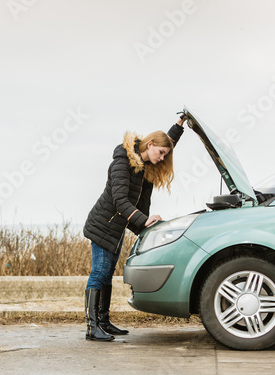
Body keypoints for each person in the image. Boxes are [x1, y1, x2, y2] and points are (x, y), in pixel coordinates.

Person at [82, 114, 187, 341]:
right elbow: (120, 201)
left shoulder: (146, 162)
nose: (162, 159)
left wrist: (179, 127)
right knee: (99, 273)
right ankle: (92, 328)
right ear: (150, 145)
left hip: (117, 227)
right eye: (160, 153)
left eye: (165, 155)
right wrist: (143, 220)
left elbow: (166, 142)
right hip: (103, 225)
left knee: (107, 274)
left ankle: (104, 322)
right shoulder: (122, 163)